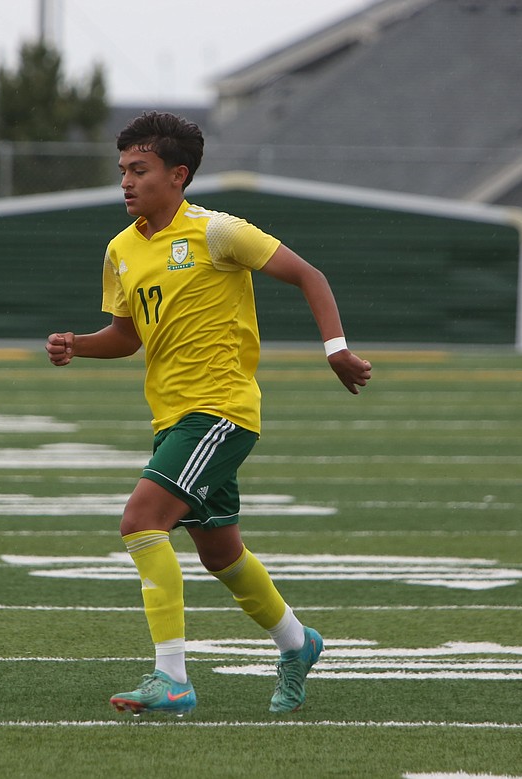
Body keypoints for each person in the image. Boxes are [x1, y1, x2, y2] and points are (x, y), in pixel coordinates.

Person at [45, 112, 372, 716]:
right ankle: (298, 643)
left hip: (219, 412)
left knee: (140, 520)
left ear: (179, 174)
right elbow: (127, 335)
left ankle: (171, 677)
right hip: (174, 419)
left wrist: (336, 350)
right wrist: (79, 344)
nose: (126, 181)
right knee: (220, 552)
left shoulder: (217, 233)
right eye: (122, 170)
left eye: (139, 170)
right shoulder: (121, 249)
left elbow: (309, 275)